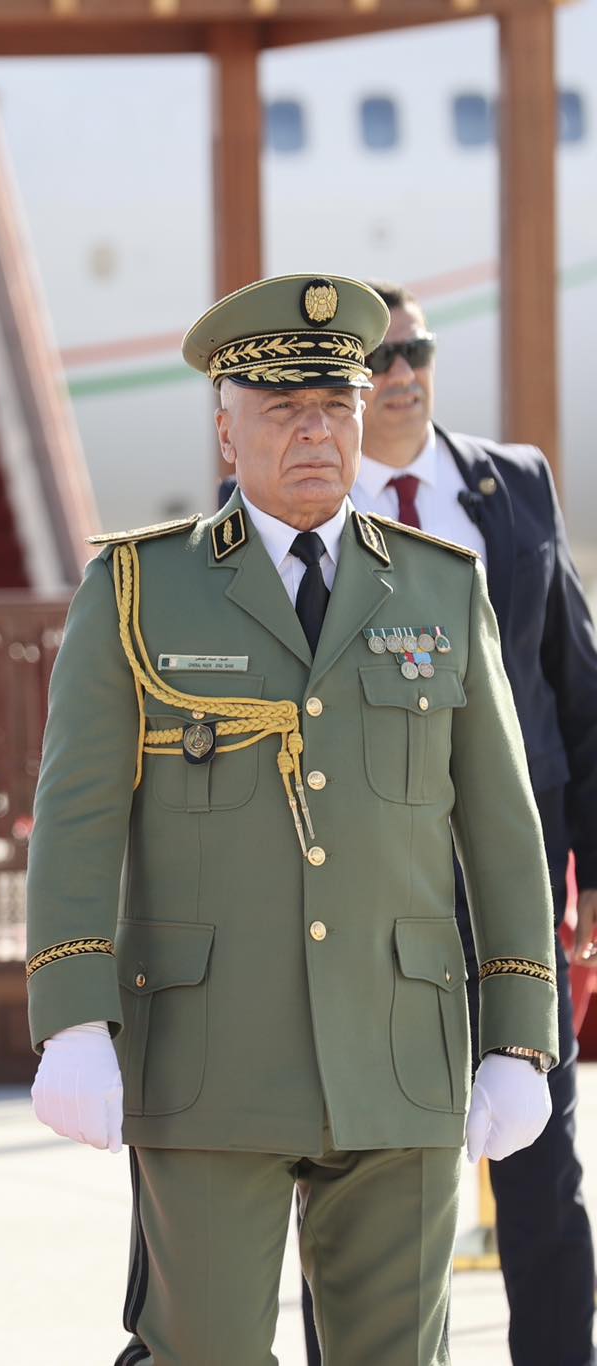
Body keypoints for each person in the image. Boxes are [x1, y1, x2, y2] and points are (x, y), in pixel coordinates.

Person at [26, 274, 559, 1366]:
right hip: (208, 1057)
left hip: (398, 1054)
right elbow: (75, 818)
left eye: (334, 404)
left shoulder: (439, 587)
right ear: (227, 432)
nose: (313, 431)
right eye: (280, 409)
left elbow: (500, 829)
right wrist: (71, 1017)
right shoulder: (137, 589)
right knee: (205, 1350)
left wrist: (518, 1036)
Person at [321, 279, 597, 1366]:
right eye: (374, 361)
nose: (399, 375)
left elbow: (574, 687)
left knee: (543, 1173)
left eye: (414, 352)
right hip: (363, 891)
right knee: (365, 1185)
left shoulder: (511, 486)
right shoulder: (299, 498)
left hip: (511, 892)